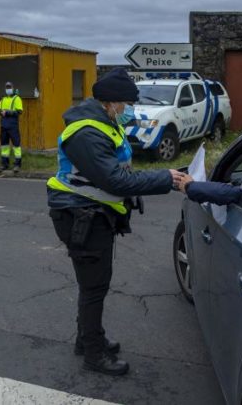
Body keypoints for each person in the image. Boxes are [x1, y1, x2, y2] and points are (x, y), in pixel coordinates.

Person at [46, 67, 182, 377]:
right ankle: (93, 353)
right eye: (128, 104)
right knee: (94, 286)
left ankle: (88, 339)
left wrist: (164, 174)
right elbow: (114, 179)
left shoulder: (104, 123)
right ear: (111, 103)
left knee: (93, 284)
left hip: (91, 213)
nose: (131, 110)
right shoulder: (86, 133)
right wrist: (165, 179)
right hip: (80, 215)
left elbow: (120, 170)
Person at [0, 81, 23, 172]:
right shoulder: (3, 99)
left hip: (13, 126)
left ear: (13, 88)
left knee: (16, 145)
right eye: (7, 87)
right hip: (4, 126)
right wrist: (0, 112)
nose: (8, 89)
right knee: (4, 146)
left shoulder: (17, 99)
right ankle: (4, 164)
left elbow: (19, 112)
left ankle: (17, 164)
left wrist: (7, 112)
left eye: (9, 87)